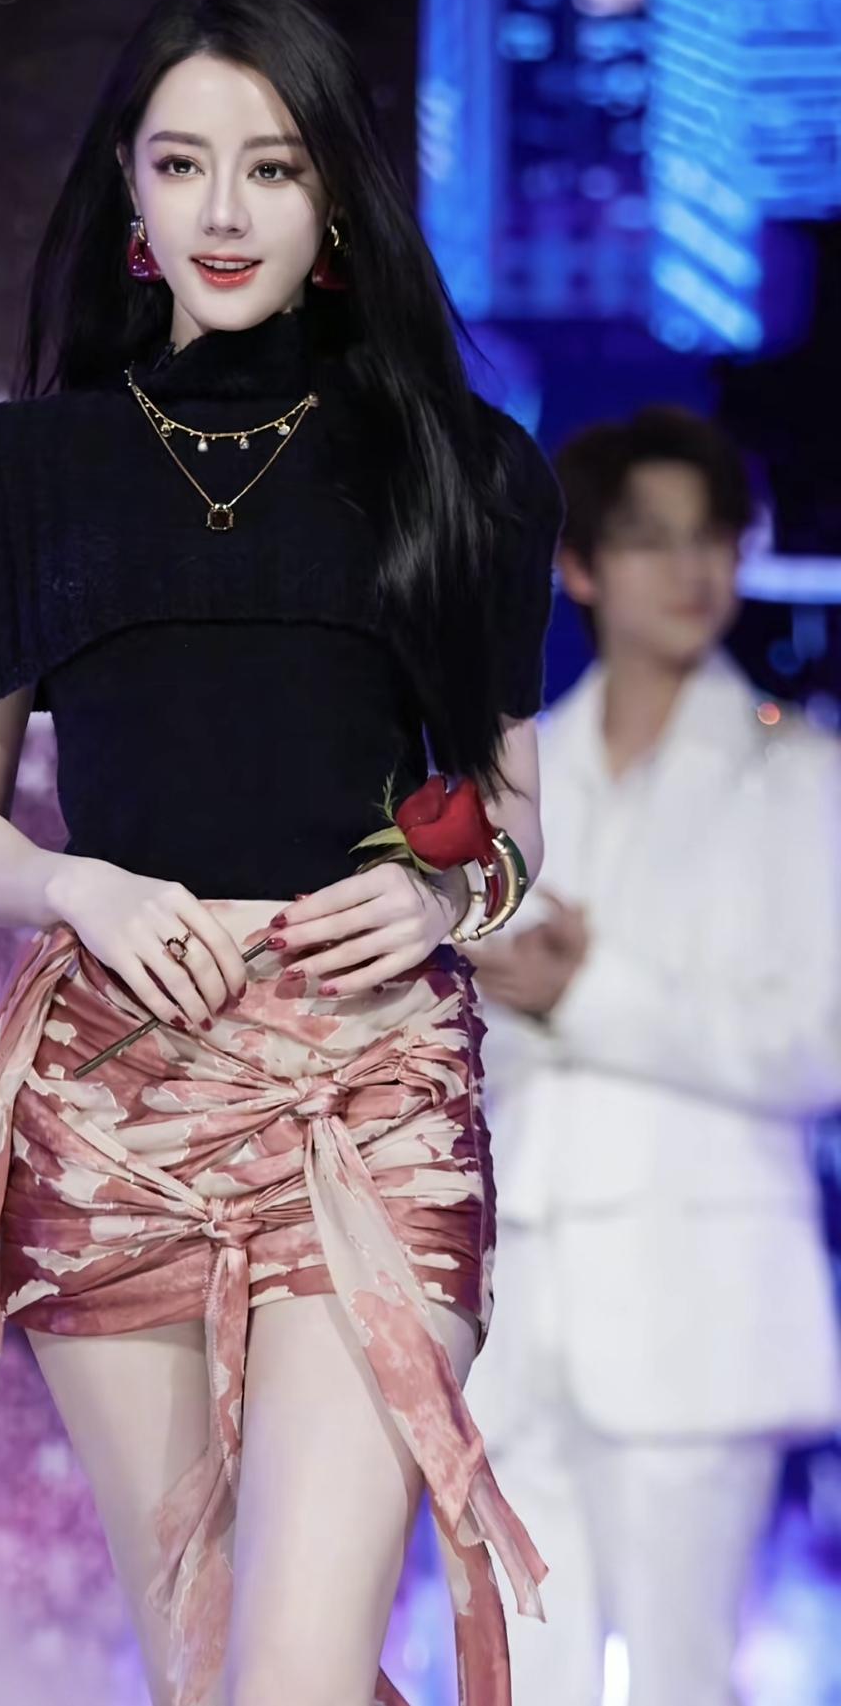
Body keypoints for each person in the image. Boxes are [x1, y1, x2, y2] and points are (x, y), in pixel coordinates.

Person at [0, 0, 563, 1706]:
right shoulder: (15, 472)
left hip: (366, 1084)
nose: (224, 211)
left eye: (271, 166)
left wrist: (441, 893)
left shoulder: (462, 467)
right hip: (119, 1090)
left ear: (333, 195)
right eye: (182, 164)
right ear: (129, 188)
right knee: (204, 1676)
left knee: (292, 1677)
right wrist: (80, 884)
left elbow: (511, 820)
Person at [464, 406, 841, 1706]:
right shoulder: (517, 779)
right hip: (518, 1312)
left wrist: (590, 991)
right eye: (648, 539)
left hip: (700, 1310)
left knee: (683, 1680)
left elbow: (820, 1045)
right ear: (579, 567)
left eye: (711, 538)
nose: (689, 569)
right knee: (522, 1681)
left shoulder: (805, 780)